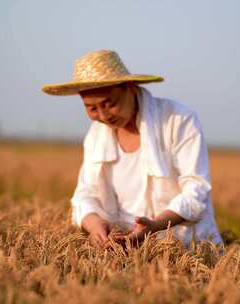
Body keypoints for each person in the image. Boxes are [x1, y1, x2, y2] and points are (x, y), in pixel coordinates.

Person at [42, 50, 222, 248]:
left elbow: (196, 190)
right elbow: (85, 195)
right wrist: (95, 226)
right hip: (124, 249)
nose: (103, 116)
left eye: (110, 104)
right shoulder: (96, 135)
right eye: (92, 108)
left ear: (129, 87)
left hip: (186, 247)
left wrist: (156, 225)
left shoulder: (178, 119)